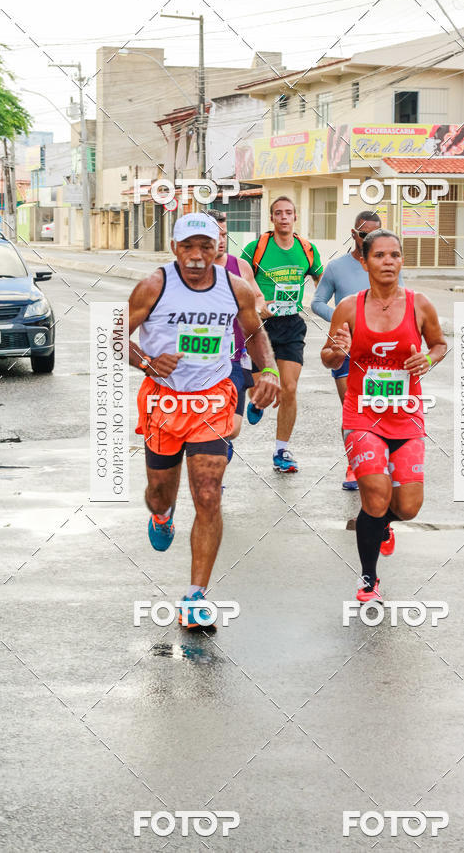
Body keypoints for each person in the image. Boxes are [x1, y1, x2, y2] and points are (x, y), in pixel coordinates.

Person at [128, 212, 280, 627]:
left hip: (213, 398)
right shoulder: (154, 286)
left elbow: (253, 333)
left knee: (209, 492)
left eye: (205, 247)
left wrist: (267, 371)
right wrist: (146, 362)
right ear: (174, 249)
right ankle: (161, 515)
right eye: (187, 247)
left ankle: (196, 596)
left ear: (218, 249)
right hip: (164, 400)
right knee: (161, 492)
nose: (196, 256)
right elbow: (112, 334)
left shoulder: (236, 288)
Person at [320, 229, 447, 603]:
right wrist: (338, 352)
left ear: (401, 261)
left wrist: (428, 358)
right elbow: (328, 358)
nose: (388, 262)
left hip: (406, 416)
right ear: (365, 261)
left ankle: (383, 525)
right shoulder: (349, 307)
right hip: (362, 415)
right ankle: (368, 580)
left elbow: (439, 344)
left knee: (407, 506)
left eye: (395, 255)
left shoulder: (419, 304)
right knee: (374, 496)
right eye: (380, 256)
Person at [312, 210, 405, 491]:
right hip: (348, 348)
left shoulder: (388, 266)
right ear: (354, 234)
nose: (370, 241)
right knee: (352, 410)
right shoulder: (337, 268)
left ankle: (380, 459)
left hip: (382, 350)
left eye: (376, 236)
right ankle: (355, 464)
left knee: (381, 408)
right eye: (365, 236)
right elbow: (317, 302)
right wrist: (343, 321)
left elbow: (402, 303)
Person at [241, 195, 323, 473]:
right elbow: (239, 280)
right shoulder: (257, 248)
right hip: (259, 326)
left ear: (295, 217)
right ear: (272, 218)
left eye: (289, 212)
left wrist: (328, 304)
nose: (284, 217)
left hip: (291, 324)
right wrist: (256, 304)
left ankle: (281, 451)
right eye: (279, 213)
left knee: (288, 388)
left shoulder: (307, 249)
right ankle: (256, 401)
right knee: (260, 388)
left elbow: (321, 280)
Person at [207, 209, 265, 454]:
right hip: (201, 360)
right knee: (208, 422)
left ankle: (222, 444)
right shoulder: (188, 270)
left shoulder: (240, 266)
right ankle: (213, 470)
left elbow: (259, 297)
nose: (221, 240)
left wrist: (255, 310)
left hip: (236, 359)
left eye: (224, 234)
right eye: (214, 235)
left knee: (232, 429)